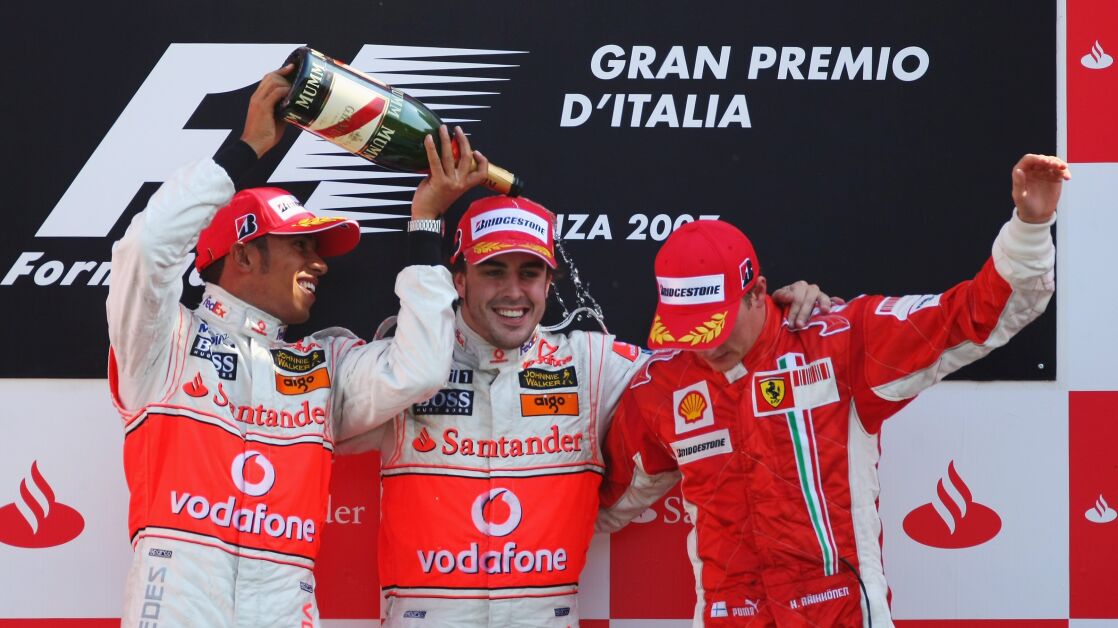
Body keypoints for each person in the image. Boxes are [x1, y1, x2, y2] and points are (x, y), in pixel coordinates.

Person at [596, 153, 1069, 627]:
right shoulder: (662, 385)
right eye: (689, 331)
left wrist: (1029, 229)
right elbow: (602, 499)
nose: (706, 347)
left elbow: (970, 317)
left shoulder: (841, 344)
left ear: (757, 292)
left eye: (716, 326)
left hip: (841, 615)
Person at [336, 194, 835, 626]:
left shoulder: (591, 363)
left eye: (530, 273)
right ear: (459, 280)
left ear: (548, 283)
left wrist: (780, 316)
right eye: (493, 271)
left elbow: (707, 362)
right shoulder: (403, 365)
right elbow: (311, 409)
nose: (514, 291)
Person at [106, 63, 487, 626]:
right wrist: (243, 152)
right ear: (243, 253)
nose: (320, 263)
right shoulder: (164, 341)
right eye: (301, 246)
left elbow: (421, 369)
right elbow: (145, 249)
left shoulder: (321, 366)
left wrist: (426, 223)